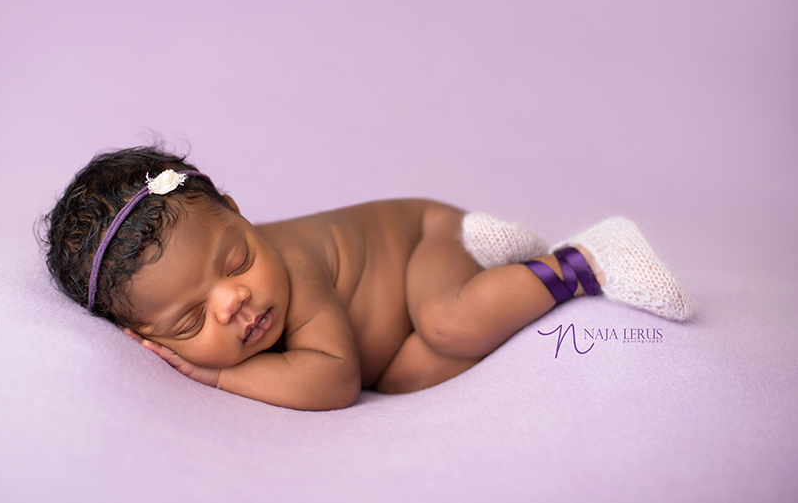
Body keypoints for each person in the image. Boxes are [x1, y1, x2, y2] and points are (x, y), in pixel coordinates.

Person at [42, 145, 693, 410]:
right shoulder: (234, 291)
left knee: (451, 324)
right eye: (190, 320)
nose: (235, 300)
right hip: (390, 331)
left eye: (237, 260)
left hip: (421, 241)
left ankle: (581, 259)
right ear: (145, 337)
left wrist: (218, 375)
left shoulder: (292, 268)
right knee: (411, 374)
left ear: (239, 214)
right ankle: (503, 267)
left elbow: (336, 381)